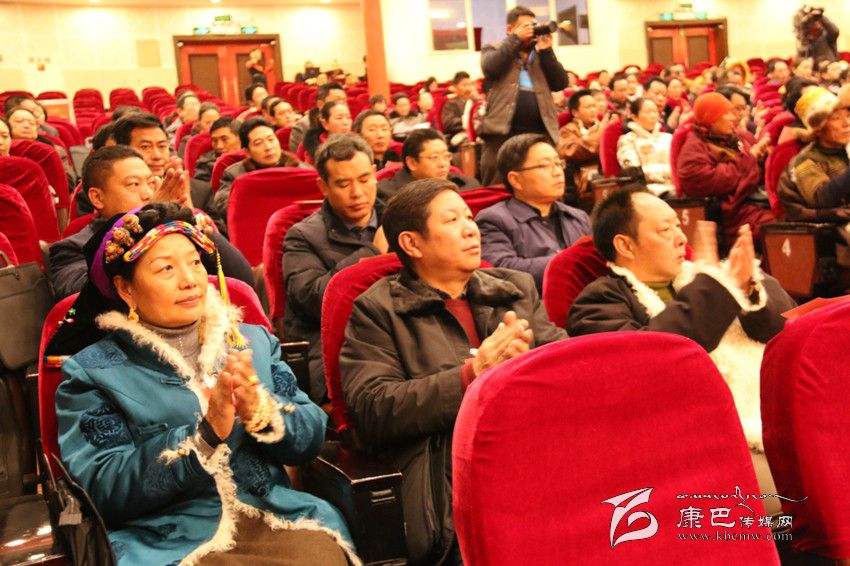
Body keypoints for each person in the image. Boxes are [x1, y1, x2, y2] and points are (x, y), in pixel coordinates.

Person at [49, 202, 357, 566]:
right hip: (167, 539)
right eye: (166, 268)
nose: (190, 280)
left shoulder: (251, 342)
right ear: (125, 289)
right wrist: (204, 437)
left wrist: (264, 412)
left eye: (195, 263)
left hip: (274, 516)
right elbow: (103, 489)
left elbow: (311, 438)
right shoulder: (95, 372)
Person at [340, 178, 567, 563]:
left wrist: (531, 364)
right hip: (446, 470)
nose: (470, 229)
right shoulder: (378, 310)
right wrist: (472, 376)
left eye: (469, 217)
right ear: (412, 244)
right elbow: (373, 408)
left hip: (534, 450)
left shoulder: (514, 289)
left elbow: (565, 365)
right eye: (452, 220)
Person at [568, 189, 795, 450]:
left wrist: (745, 287)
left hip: (771, 406)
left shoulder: (708, 276)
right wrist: (718, 288)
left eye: (678, 226)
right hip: (694, 438)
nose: (681, 238)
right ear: (625, 245)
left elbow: (785, 328)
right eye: (666, 230)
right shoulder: (597, 303)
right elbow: (651, 361)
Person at [48, 145, 253, 299]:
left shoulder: (177, 230)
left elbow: (241, 279)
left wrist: (189, 219)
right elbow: (83, 297)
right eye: (134, 184)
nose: (147, 193)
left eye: (151, 182)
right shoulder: (71, 248)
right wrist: (144, 224)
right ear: (97, 198)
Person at [283, 135, 387, 402]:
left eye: (364, 179)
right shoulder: (302, 236)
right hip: (341, 350)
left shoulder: (400, 219)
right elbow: (315, 299)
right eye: (343, 184)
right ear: (323, 186)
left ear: (375, 174)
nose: (357, 192)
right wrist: (372, 254)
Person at [477, 134, 591, 291]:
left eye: (559, 164)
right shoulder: (493, 220)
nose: (558, 172)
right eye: (544, 166)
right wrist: (570, 260)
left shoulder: (579, 217)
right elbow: (502, 270)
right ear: (515, 180)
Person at [478, 5, 569, 185]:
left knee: (543, 181)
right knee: (497, 183)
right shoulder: (494, 48)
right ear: (510, 29)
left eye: (533, 25)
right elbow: (491, 68)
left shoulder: (540, 54)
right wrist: (515, 40)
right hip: (502, 131)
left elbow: (560, 83)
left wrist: (547, 51)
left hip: (540, 131)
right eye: (525, 26)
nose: (531, 30)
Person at [677, 92, 775, 241]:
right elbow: (717, 180)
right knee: (778, 228)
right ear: (711, 119)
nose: (733, 118)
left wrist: (762, 158)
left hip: (753, 201)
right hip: (729, 215)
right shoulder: (692, 151)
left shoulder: (737, 137)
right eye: (726, 114)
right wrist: (750, 158)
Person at [779, 86, 850, 264]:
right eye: (836, 118)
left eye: (848, 116)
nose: (846, 123)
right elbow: (822, 199)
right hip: (832, 235)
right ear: (818, 128)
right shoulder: (806, 160)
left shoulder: (845, 150)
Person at [212, 118, 302, 228]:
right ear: (247, 152)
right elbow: (224, 206)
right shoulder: (234, 174)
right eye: (258, 143)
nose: (268, 147)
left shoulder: (302, 171)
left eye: (271, 140)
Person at [376, 128, 480, 202]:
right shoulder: (389, 196)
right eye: (435, 157)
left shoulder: (468, 186)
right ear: (412, 163)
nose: (443, 164)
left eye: (446, 156)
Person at [557, 89, 611, 199]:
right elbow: (570, 151)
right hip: (582, 179)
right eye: (588, 107)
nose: (593, 110)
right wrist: (600, 133)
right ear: (575, 113)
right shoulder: (567, 130)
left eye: (594, 106)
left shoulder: (601, 125)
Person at [616, 98, 674, 197]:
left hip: (674, 185)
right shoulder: (627, 140)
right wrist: (668, 172)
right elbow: (635, 173)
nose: (653, 115)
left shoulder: (668, 138)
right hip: (647, 190)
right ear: (634, 117)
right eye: (648, 112)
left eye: (655, 112)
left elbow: (678, 167)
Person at [289, 82, 346, 153]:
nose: (342, 105)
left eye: (344, 101)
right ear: (320, 104)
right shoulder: (303, 126)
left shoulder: (346, 121)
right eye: (336, 100)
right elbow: (299, 157)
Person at [193, 116, 242, 185]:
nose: (219, 146)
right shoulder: (205, 164)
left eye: (224, 139)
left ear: (240, 137)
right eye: (214, 141)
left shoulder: (253, 157)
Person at [441, 71, 477, 147]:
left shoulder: (475, 101)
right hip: (459, 135)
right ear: (455, 87)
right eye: (464, 85)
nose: (468, 88)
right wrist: (467, 121)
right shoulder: (451, 103)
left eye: (470, 85)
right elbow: (448, 123)